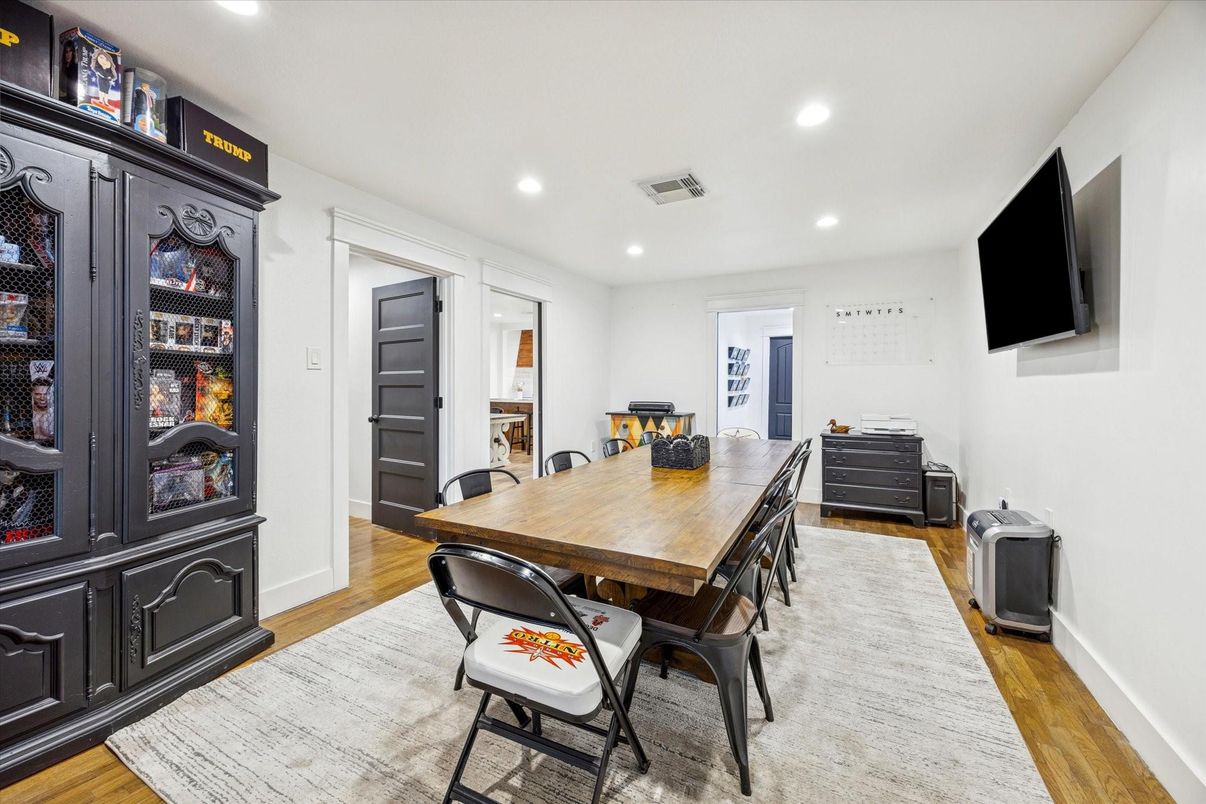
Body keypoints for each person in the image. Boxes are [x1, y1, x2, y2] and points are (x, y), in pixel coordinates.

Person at [31, 376, 54, 443]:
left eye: (46, 394)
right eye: (38, 394)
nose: (42, 398)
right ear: (32, 394)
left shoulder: (56, 414)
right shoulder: (27, 413)